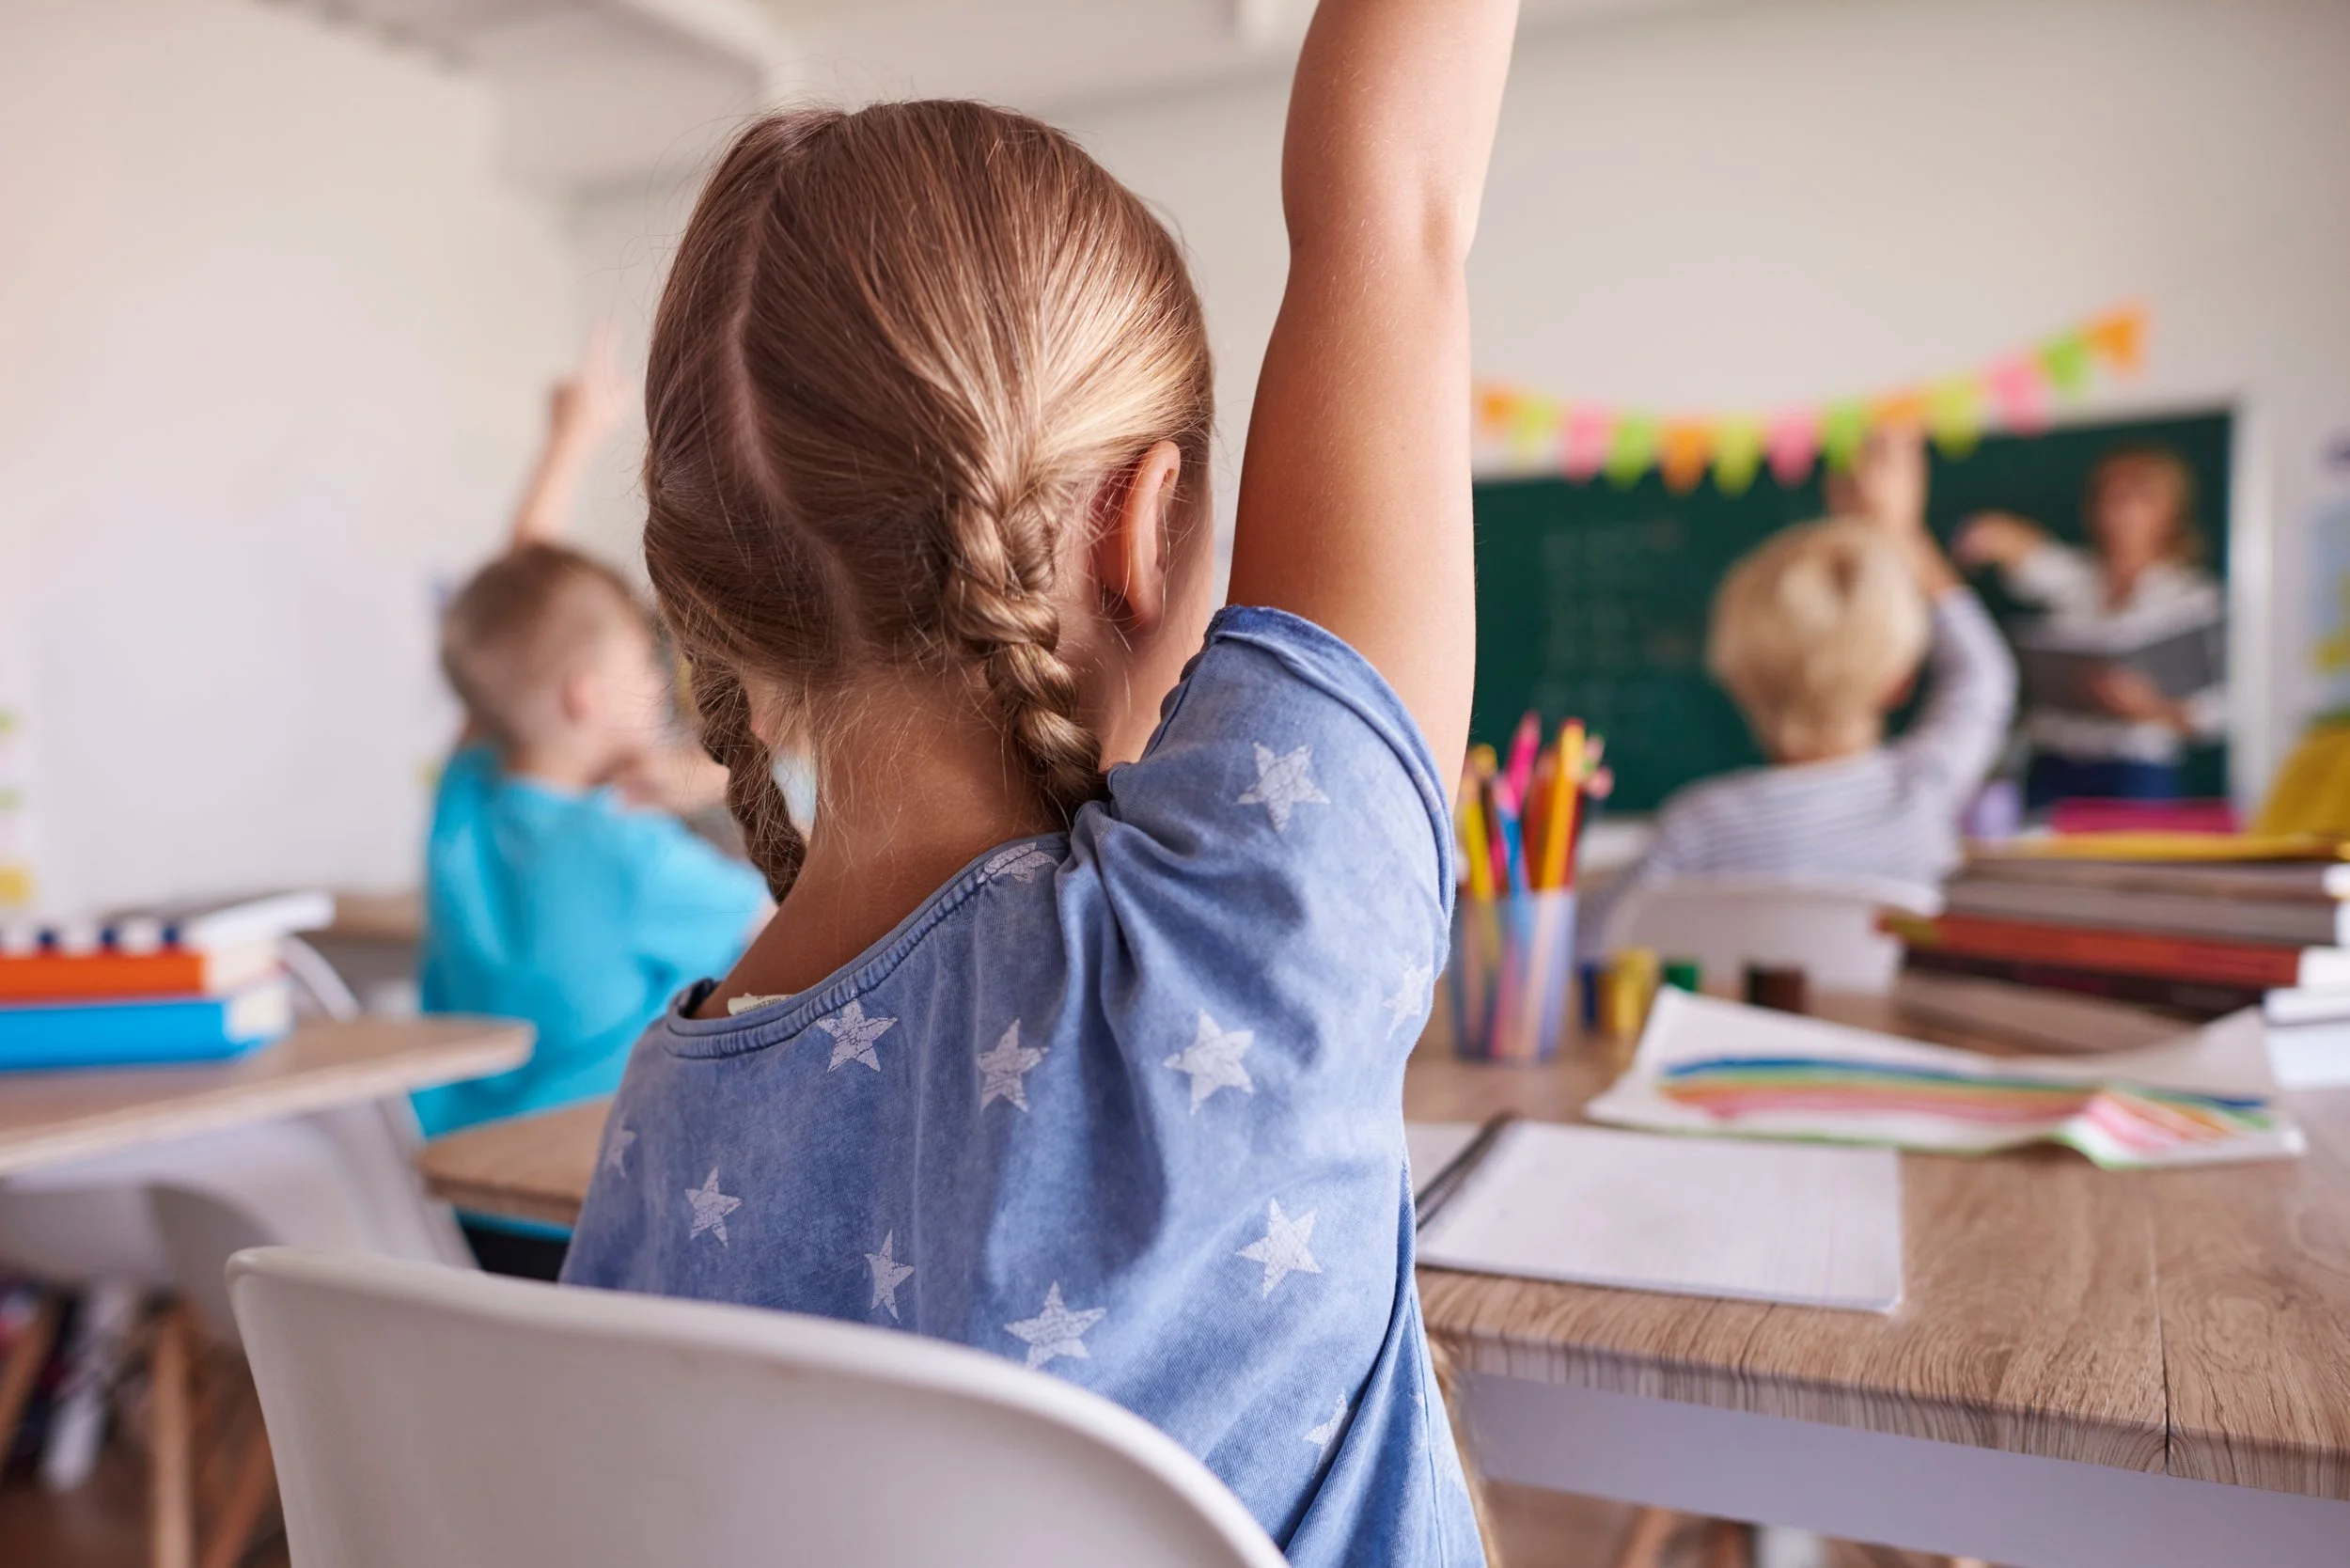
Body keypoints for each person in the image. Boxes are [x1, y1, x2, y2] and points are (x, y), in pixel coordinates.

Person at [559, 3, 1518, 1560]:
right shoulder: (1239, 950)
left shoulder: (660, 1132)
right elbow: (1390, 212)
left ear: (729, 613)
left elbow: (1392, 211)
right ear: (1146, 532)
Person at [415, 345, 769, 1234]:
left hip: (463, 1197)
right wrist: (726, 787)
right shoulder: (632, 849)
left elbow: (506, 644)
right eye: (642, 668)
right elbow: (793, 921)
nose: (661, 687)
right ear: (583, 695)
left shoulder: (465, 797)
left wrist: (567, 442)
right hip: (600, 1209)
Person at [1588, 427, 2017, 944]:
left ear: (1736, 677)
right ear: (1898, 682)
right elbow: (1983, 674)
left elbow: (1590, 939)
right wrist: (1900, 531)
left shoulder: (1699, 829)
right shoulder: (1925, 788)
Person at [1955, 446, 2223, 805]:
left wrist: (2148, 708)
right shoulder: (2073, 577)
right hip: (2052, 766)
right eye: (2109, 496)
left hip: (2136, 775)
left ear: (2171, 511)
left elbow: (2219, 712)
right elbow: (2029, 555)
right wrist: (1989, 533)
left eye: (2138, 497)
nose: (2121, 510)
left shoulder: (2196, 598)